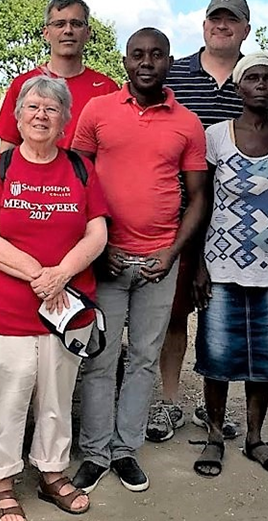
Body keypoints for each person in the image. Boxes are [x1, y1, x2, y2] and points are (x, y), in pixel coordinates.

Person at [151, 0, 268, 445]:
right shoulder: (175, 73)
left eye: (232, 21)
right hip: (176, 216)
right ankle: (170, 399)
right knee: (175, 314)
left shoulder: (263, 75)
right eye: (215, 19)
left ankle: (210, 405)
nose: (223, 26)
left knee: (224, 321)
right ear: (203, 25)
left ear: (245, 29)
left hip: (240, 227)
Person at [0, 75, 109, 521]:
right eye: (32, 107)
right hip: (3, 308)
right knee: (3, 398)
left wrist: (62, 274)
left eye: (52, 109)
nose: (41, 115)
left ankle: (51, 471)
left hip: (64, 309)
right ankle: (1, 482)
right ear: (17, 116)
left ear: (65, 120)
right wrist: (39, 275)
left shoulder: (80, 170)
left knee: (56, 395)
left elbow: (98, 231)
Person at [70, 28, 208, 493]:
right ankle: (94, 451)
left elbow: (198, 197)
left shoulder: (187, 123)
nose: (146, 62)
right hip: (105, 260)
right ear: (125, 61)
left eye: (156, 55)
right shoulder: (98, 110)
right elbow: (77, 179)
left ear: (170, 61)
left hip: (158, 262)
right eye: (137, 55)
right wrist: (99, 244)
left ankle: (125, 449)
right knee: (100, 357)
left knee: (146, 359)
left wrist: (172, 252)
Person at [191, 52, 268, 477]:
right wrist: (199, 262)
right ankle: (215, 436)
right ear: (239, 87)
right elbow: (201, 201)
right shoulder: (216, 136)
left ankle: (255, 438)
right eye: (252, 78)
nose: (260, 85)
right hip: (221, 263)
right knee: (218, 352)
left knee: (267, 354)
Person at [0, 0, 118, 152]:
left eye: (76, 24)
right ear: (46, 33)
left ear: (88, 32)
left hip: (87, 176)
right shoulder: (23, 85)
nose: (68, 30)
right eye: (59, 24)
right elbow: (7, 148)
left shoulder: (107, 89)